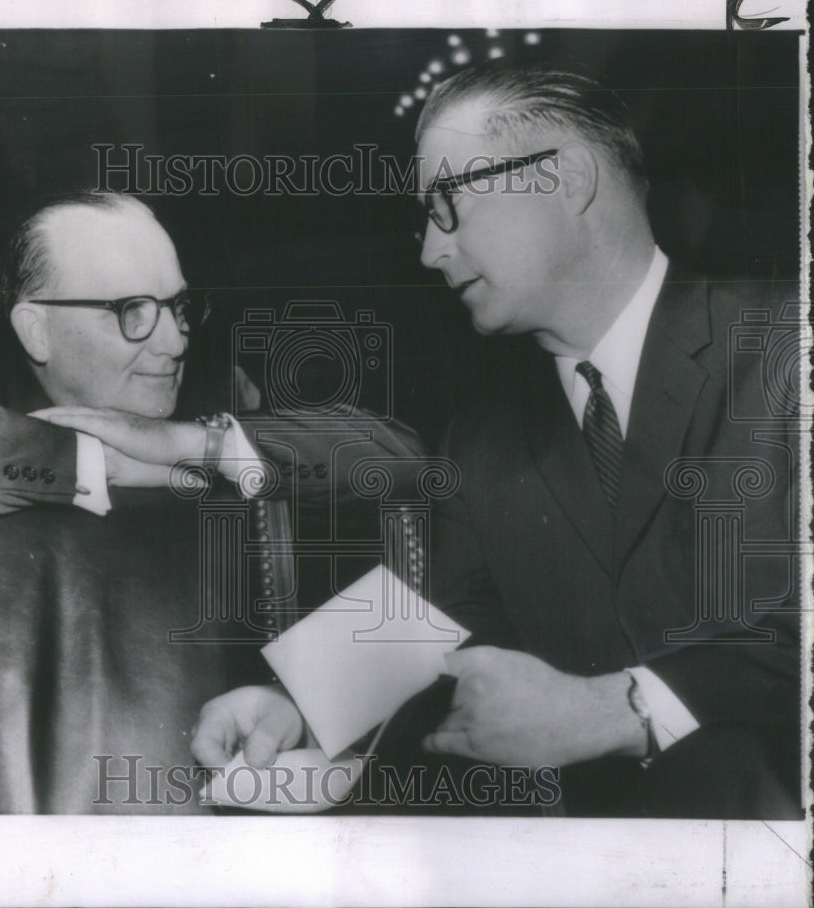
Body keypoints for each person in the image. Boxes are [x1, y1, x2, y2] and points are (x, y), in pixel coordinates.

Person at [191, 62, 801, 818]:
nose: (429, 251)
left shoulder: (788, 348)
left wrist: (622, 707)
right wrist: (297, 702)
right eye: (425, 217)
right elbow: (438, 608)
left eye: (448, 203)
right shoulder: (484, 435)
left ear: (567, 179)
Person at [0, 191, 423, 813]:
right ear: (36, 330)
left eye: (178, 307)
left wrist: (193, 446)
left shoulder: (215, 392)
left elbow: (400, 457)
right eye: (132, 312)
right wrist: (101, 462)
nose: (173, 342)